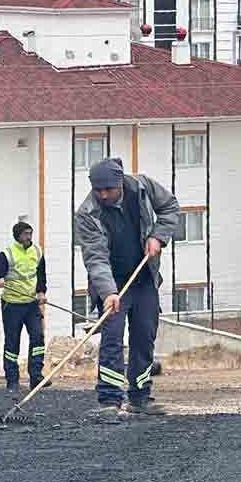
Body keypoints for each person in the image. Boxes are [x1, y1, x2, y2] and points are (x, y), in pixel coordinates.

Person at [74, 158, 179, 417]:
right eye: (98, 190)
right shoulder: (87, 213)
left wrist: (157, 236)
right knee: (112, 338)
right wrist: (108, 292)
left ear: (119, 183)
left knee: (144, 336)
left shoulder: (142, 188)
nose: (103, 194)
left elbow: (170, 207)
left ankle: (140, 397)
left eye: (108, 189)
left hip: (144, 277)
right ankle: (109, 400)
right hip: (112, 283)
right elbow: (95, 257)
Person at [0, 221, 48, 393]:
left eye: (30, 233)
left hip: (31, 304)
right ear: (17, 236)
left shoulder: (37, 251)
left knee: (38, 338)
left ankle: (36, 376)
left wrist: (41, 292)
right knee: (12, 343)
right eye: (25, 234)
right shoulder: (7, 254)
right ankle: (12, 381)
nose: (29, 237)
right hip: (12, 305)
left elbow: (41, 275)